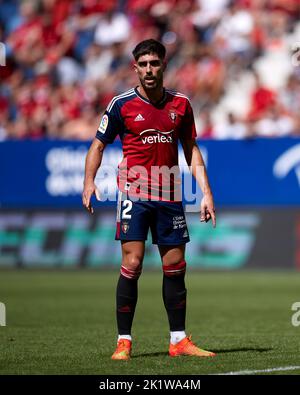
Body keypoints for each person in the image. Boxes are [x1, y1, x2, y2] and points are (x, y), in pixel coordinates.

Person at [82, 39, 216, 360]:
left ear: (164, 65)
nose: (149, 70)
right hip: (135, 191)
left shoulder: (181, 104)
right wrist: (88, 183)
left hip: (170, 192)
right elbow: (98, 146)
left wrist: (207, 192)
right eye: (143, 65)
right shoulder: (121, 105)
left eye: (154, 63)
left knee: (174, 265)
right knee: (133, 262)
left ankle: (178, 340)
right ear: (135, 68)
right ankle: (124, 342)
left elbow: (191, 149)